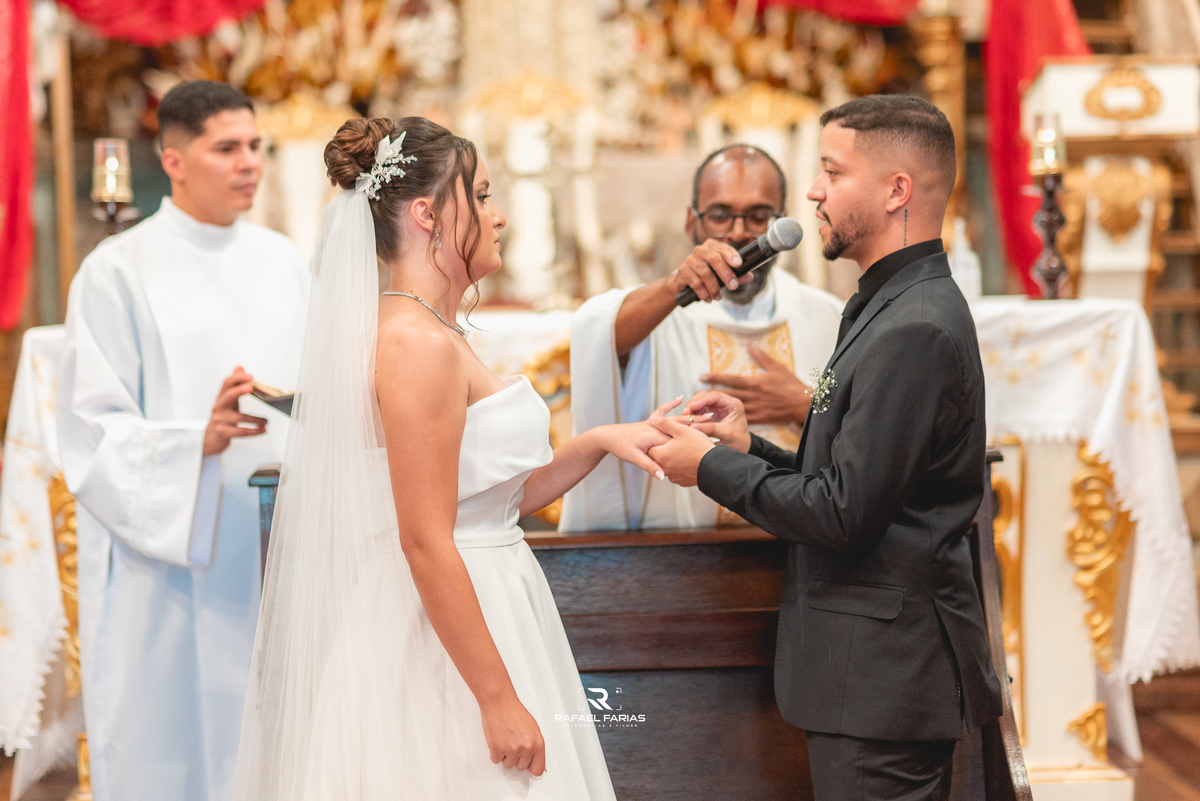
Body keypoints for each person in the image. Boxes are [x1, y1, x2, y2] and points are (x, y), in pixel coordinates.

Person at [232, 117, 668, 800]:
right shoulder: (415, 344)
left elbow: (486, 499)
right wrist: (495, 697)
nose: (499, 218)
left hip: (487, 595)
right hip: (439, 634)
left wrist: (599, 441)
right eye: (484, 195)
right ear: (428, 213)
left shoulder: (437, 330)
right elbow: (425, 536)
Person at [646, 95, 1004, 799]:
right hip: (868, 678)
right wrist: (749, 446)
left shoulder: (916, 326)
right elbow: (859, 479)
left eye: (833, 172)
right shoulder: (883, 301)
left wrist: (710, 467)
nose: (812, 190)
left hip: (882, 681)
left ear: (896, 190)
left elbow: (843, 514)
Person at [56, 81, 309, 801]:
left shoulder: (286, 261)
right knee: (176, 748)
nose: (250, 163)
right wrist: (194, 439)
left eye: (256, 146)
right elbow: (90, 430)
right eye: (226, 148)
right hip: (169, 563)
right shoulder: (117, 271)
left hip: (276, 544)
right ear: (172, 160)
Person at [562, 144, 843, 531]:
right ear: (691, 221)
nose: (740, 231)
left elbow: (866, 436)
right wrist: (676, 284)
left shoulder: (828, 315)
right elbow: (598, 333)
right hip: (681, 556)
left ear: (783, 220)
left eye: (759, 216)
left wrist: (807, 406)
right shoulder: (659, 311)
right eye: (720, 215)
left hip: (800, 546)